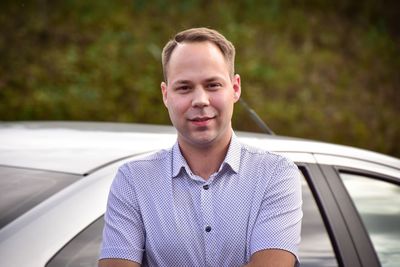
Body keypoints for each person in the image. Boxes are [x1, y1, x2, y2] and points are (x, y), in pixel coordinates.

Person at [99, 27, 302, 267]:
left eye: (213, 85)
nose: (200, 100)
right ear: (166, 95)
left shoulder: (276, 174)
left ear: (235, 88)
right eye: (184, 87)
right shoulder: (133, 180)